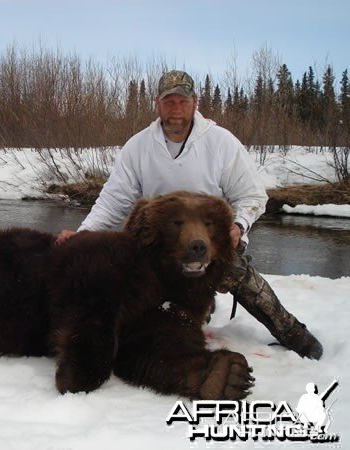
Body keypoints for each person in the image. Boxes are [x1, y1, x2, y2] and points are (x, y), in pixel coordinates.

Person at [57, 70, 323, 360]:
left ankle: (292, 333)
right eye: (169, 101)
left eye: (182, 101)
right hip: (161, 247)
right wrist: (82, 236)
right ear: (157, 103)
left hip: (208, 242)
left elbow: (253, 196)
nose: (176, 109)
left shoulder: (221, 143)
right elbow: (113, 203)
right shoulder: (138, 147)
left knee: (238, 274)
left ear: (195, 102)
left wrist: (238, 225)